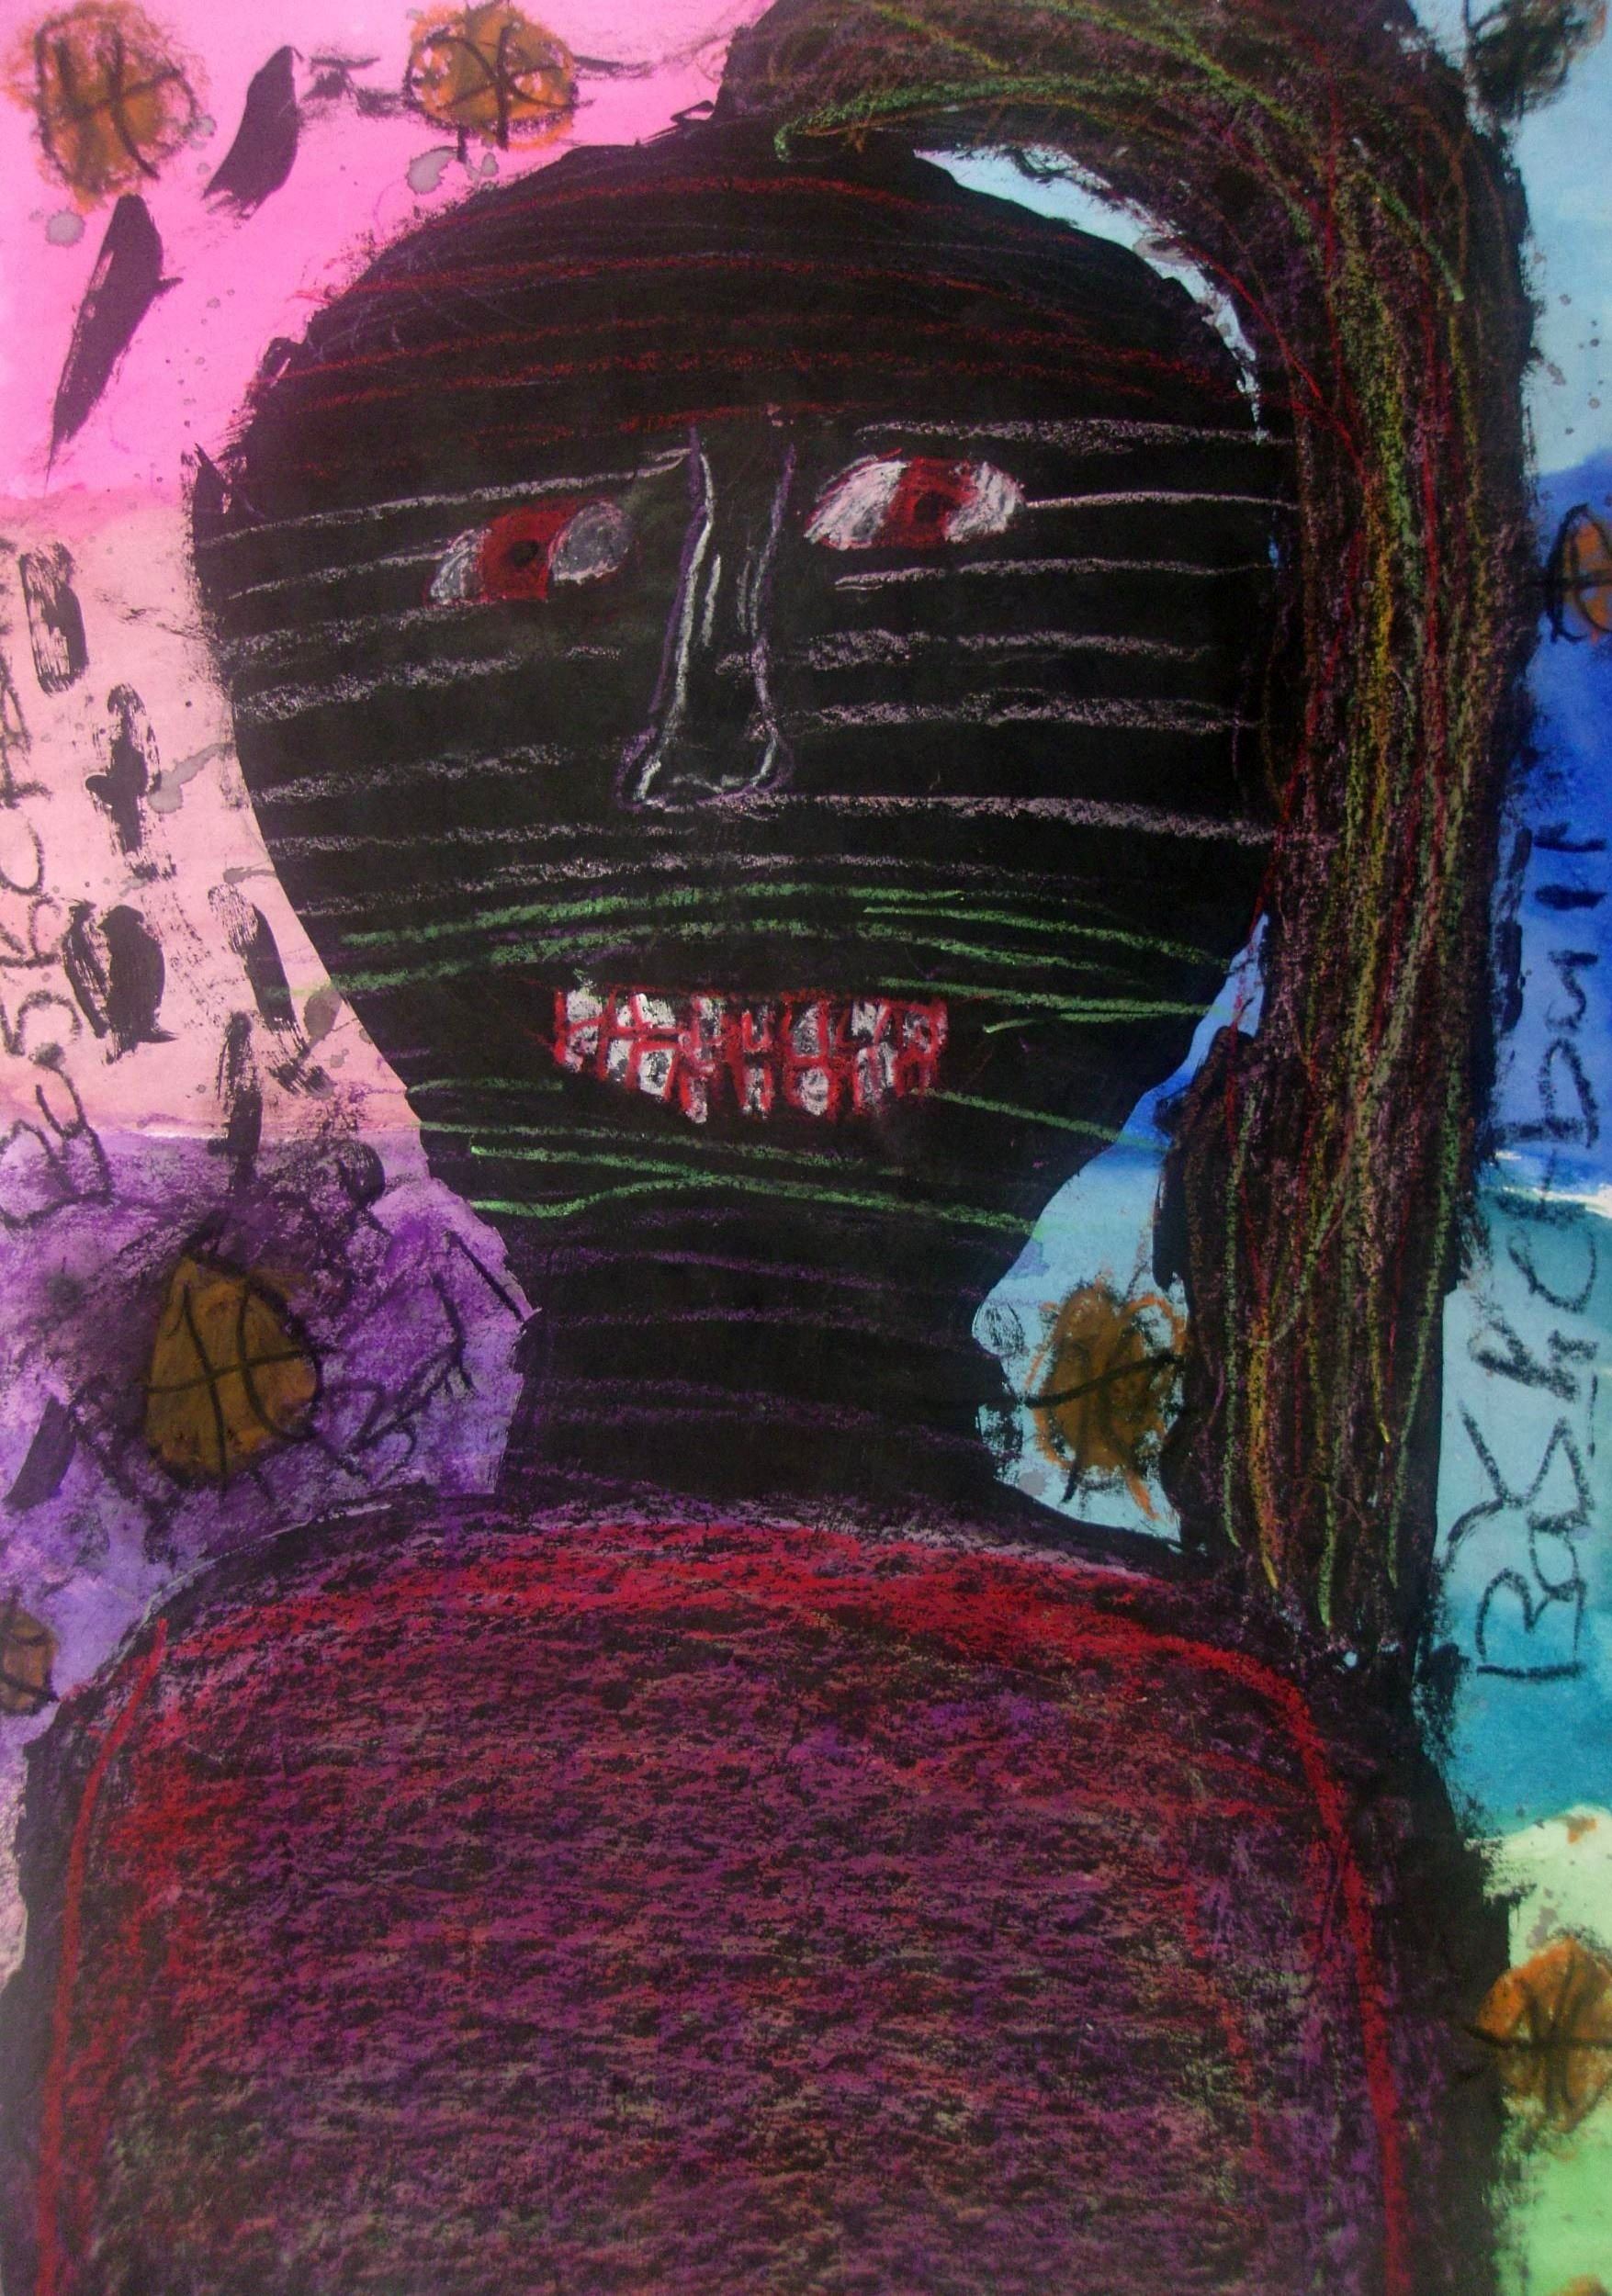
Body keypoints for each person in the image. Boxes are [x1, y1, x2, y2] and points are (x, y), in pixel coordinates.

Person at [0, 113, 1497, 2296]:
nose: (713, 745)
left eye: (923, 519)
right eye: (538, 561)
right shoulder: (1242, 1774)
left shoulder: (215, 1748)